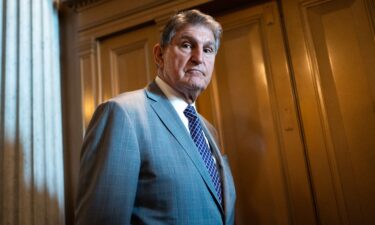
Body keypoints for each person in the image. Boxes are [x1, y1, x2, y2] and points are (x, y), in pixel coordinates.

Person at [75, 9, 236, 225]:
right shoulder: (122, 114)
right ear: (159, 55)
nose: (199, 58)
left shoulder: (208, 129)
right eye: (187, 45)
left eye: (208, 49)